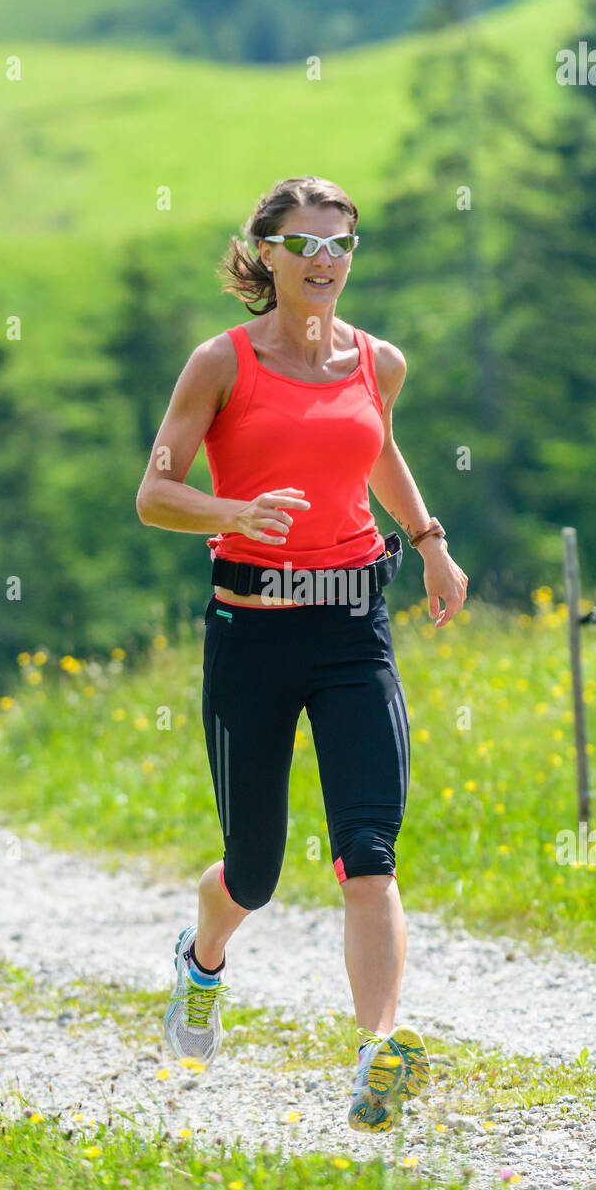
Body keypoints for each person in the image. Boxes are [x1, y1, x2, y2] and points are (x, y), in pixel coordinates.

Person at [136, 174, 468, 1132]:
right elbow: (156, 493)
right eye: (306, 246)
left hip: (354, 627)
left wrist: (431, 541)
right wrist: (233, 510)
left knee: (369, 851)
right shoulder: (221, 363)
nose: (326, 262)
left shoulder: (377, 362)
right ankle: (202, 962)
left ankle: (377, 1053)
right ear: (268, 255)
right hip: (252, 632)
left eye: (341, 245)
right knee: (255, 872)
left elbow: (375, 451)